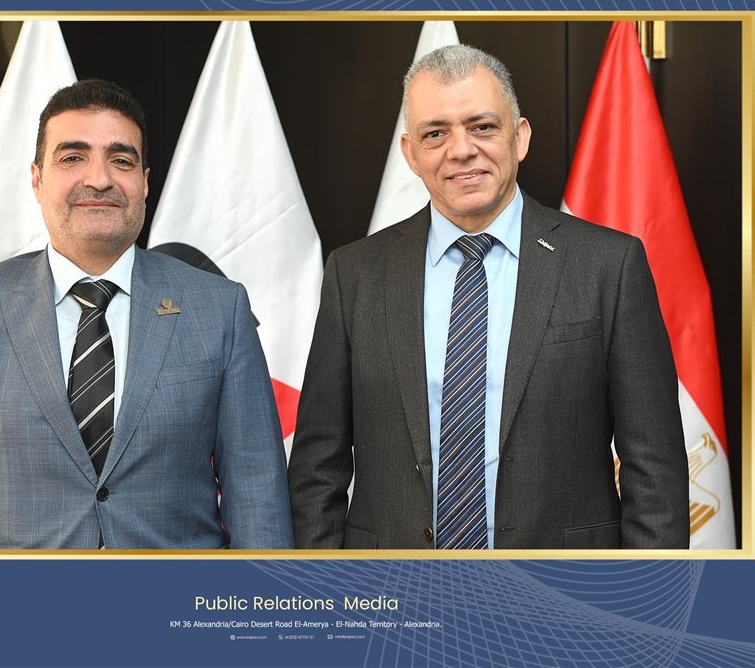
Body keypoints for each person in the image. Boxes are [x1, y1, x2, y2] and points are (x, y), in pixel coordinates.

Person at [287, 45, 688, 549]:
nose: (460, 150)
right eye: (435, 134)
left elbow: (656, 472)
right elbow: (316, 472)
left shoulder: (608, 266)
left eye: (482, 126)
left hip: (563, 588)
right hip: (389, 588)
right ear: (410, 153)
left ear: (520, 137)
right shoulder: (355, 275)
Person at [0, 79, 293, 549]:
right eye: (72, 158)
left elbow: (258, 499)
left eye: (121, 160)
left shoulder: (220, 308)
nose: (100, 179)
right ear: (37, 179)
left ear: (145, 182)